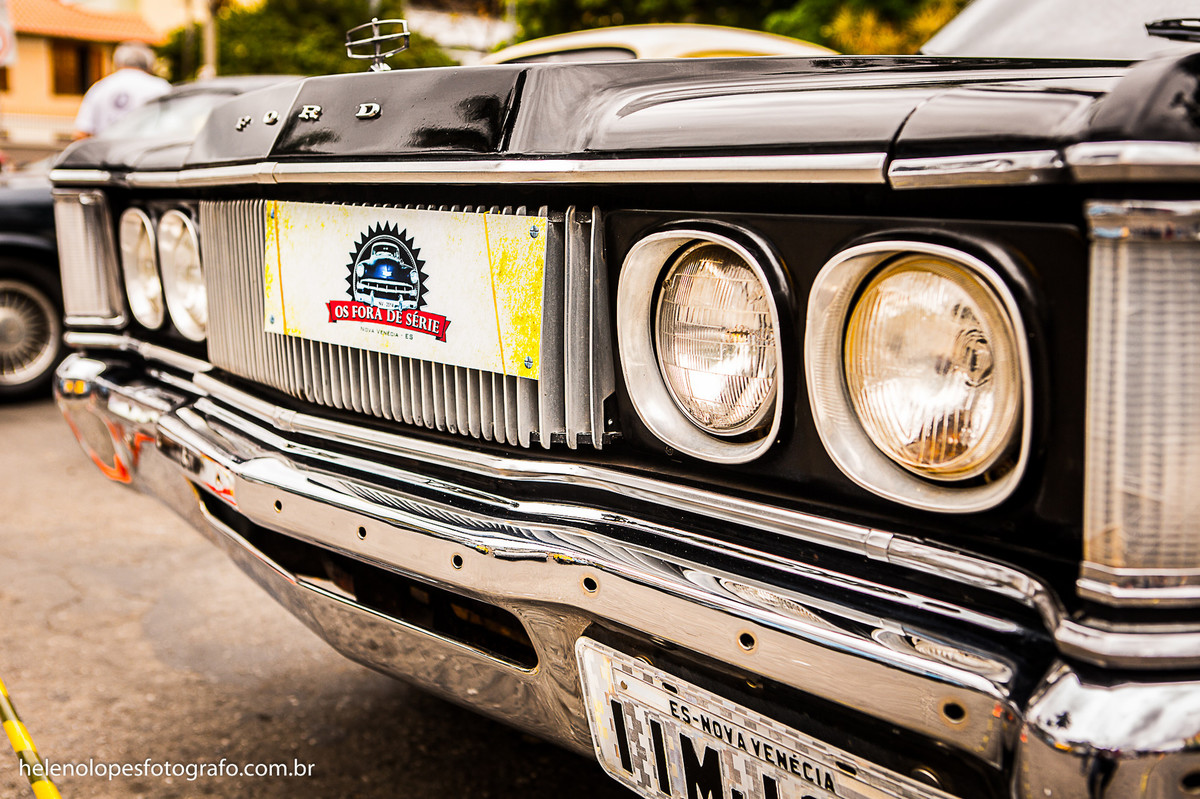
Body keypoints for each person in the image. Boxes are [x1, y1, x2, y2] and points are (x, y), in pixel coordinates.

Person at [73, 42, 170, 139]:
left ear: (116, 63)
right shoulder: (161, 87)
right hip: (149, 147)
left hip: (107, 147)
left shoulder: (100, 87)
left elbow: (81, 133)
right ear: (149, 64)